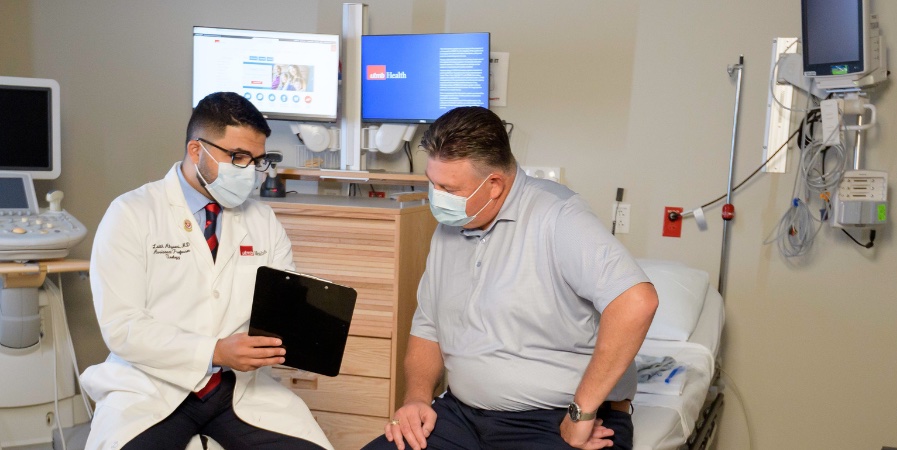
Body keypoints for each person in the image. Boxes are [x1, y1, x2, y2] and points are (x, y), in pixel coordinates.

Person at [362, 106, 658, 450]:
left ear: (494, 185)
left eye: (448, 188)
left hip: (552, 421)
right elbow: (429, 326)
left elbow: (636, 302)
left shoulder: (558, 217)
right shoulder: (450, 228)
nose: (436, 197)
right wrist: (416, 398)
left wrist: (581, 412)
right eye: (433, 183)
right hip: (462, 416)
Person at [81, 92, 332, 450]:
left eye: (257, 160)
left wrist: (310, 329)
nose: (250, 171)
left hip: (236, 387)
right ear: (197, 151)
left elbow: (280, 312)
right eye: (238, 157)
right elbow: (122, 328)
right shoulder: (132, 213)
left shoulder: (263, 220)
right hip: (152, 386)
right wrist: (214, 351)